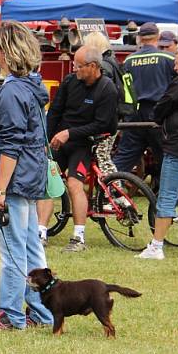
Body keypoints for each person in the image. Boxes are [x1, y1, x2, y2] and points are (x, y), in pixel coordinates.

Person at [0, 21, 54, 330]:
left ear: (5, 52)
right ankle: (41, 312)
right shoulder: (32, 87)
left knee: (12, 252)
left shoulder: (12, 92)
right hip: (31, 175)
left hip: (14, 178)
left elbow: (11, 144)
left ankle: (11, 316)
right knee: (31, 247)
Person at [37, 46, 118, 252]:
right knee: (46, 182)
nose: (75, 70)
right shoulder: (70, 82)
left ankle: (78, 238)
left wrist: (69, 133)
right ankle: (40, 233)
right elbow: (55, 111)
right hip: (59, 141)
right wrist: (47, 138)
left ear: (93, 66)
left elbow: (103, 124)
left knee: (74, 184)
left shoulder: (107, 88)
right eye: (74, 65)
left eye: (79, 66)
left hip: (84, 143)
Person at [136, 46, 178, 261]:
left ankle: (156, 246)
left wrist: (160, 118)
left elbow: (162, 107)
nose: (175, 68)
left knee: (166, 197)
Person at [113, 22, 176, 175]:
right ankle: (167, 196)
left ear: (140, 38)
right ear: (158, 37)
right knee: (166, 158)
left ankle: (109, 189)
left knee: (125, 156)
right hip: (159, 114)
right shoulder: (168, 58)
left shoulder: (128, 60)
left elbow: (124, 90)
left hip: (135, 114)